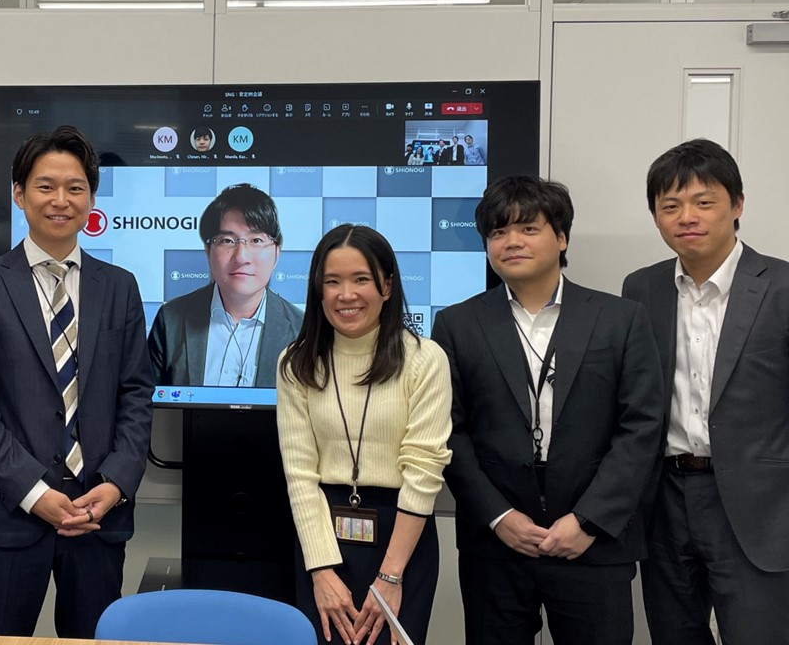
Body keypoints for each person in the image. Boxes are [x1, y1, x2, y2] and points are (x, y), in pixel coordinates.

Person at [431, 175, 665, 645]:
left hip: (593, 545)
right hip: (497, 546)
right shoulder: (457, 324)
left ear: (561, 238)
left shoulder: (620, 319)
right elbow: (449, 432)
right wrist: (499, 517)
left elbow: (642, 427)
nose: (511, 242)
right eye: (498, 233)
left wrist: (588, 521)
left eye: (528, 229)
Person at [0, 125, 154, 638]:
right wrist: (34, 492)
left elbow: (135, 393)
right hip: (10, 516)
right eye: (45, 186)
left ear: (91, 197)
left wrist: (117, 483)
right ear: (19, 194)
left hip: (97, 514)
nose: (61, 200)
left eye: (75, 187)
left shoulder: (120, 287)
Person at [622, 139, 789, 644]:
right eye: (669, 206)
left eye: (704, 201)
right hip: (665, 499)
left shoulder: (781, 287)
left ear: (737, 205)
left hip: (760, 506)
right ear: (655, 216)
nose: (686, 217)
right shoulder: (641, 289)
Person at [278, 224, 452, 645]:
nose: (346, 294)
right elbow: (300, 476)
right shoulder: (295, 364)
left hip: (401, 538)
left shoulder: (424, 359)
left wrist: (390, 576)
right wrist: (321, 572)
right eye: (332, 281)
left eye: (361, 279)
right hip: (322, 533)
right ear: (318, 291)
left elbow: (424, 473)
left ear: (387, 287)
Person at [149, 183, 303, 387]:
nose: (242, 257)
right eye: (228, 240)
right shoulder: (171, 320)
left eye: (256, 240)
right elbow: (147, 406)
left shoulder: (303, 331)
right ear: (208, 250)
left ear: (277, 252)